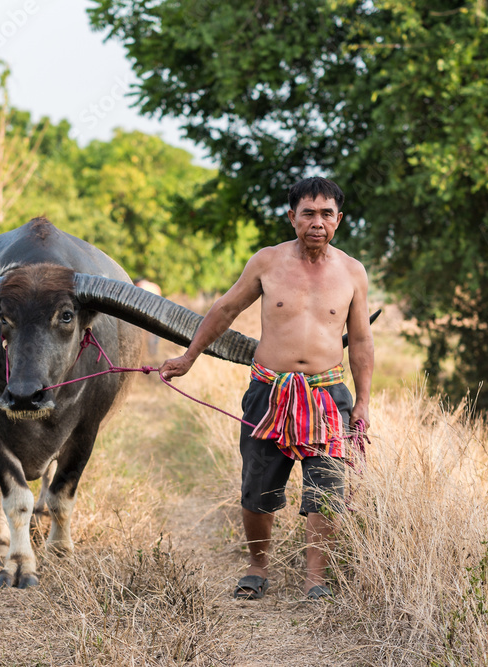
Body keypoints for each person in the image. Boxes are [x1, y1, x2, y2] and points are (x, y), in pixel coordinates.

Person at [159, 176, 374, 601]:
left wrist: (364, 401)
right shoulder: (267, 262)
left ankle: (317, 578)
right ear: (291, 216)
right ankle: (258, 566)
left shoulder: (352, 272)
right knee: (258, 486)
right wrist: (188, 357)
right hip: (269, 392)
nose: (317, 222)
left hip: (329, 395)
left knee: (326, 488)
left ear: (339, 220)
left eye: (327, 214)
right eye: (308, 213)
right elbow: (223, 311)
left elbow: (362, 340)